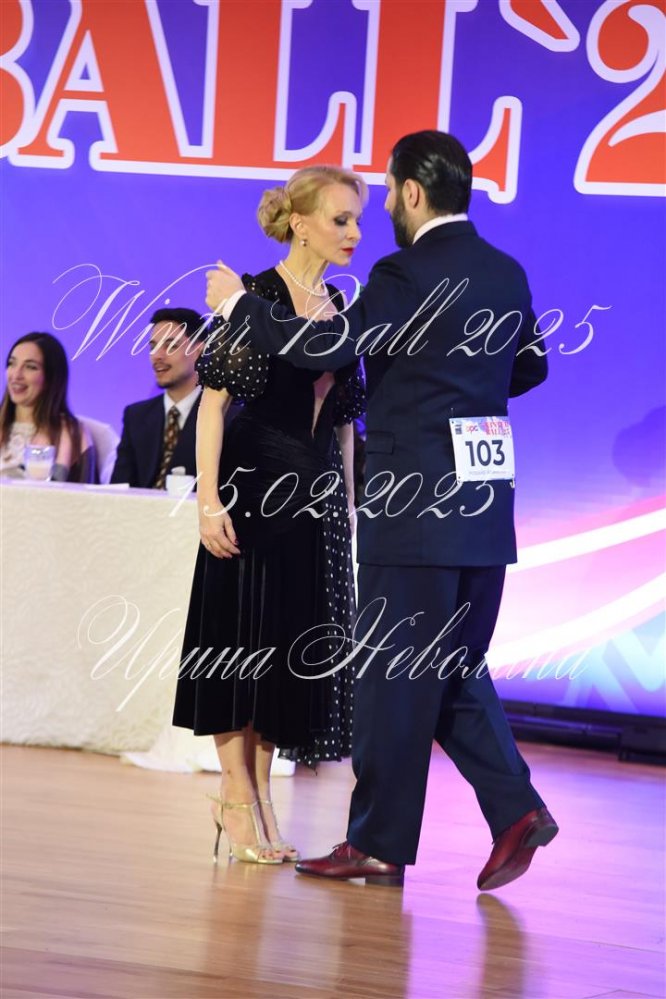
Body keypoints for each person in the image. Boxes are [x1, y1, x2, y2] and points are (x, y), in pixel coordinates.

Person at [205, 130, 559, 890]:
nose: (384, 211)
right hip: (485, 503)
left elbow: (320, 348)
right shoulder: (506, 271)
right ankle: (513, 810)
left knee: (395, 677)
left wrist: (238, 305)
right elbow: (529, 366)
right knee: (450, 667)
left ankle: (378, 842)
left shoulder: (403, 273)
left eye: (391, 193)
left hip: (416, 506)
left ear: (413, 193)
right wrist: (462, 390)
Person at [172, 166, 367, 865]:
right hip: (253, 494)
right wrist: (208, 500)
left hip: (313, 505)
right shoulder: (253, 295)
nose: (354, 232)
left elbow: (343, 425)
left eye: (357, 219)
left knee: (282, 658)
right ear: (301, 223)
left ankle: (259, 801)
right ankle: (236, 796)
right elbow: (213, 407)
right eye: (341, 219)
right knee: (240, 645)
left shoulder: (341, 307)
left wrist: (347, 507)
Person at [111, 308, 208, 488]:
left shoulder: (225, 416)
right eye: (153, 347)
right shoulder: (136, 416)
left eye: (171, 346)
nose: (157, 356)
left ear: (198, 350)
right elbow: (118, 489)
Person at [1, 332, 95, 482]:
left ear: (51, 378)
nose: (16, 375)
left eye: (30, 367)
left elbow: (84, 492)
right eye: (12, 364)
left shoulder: (71, 432)